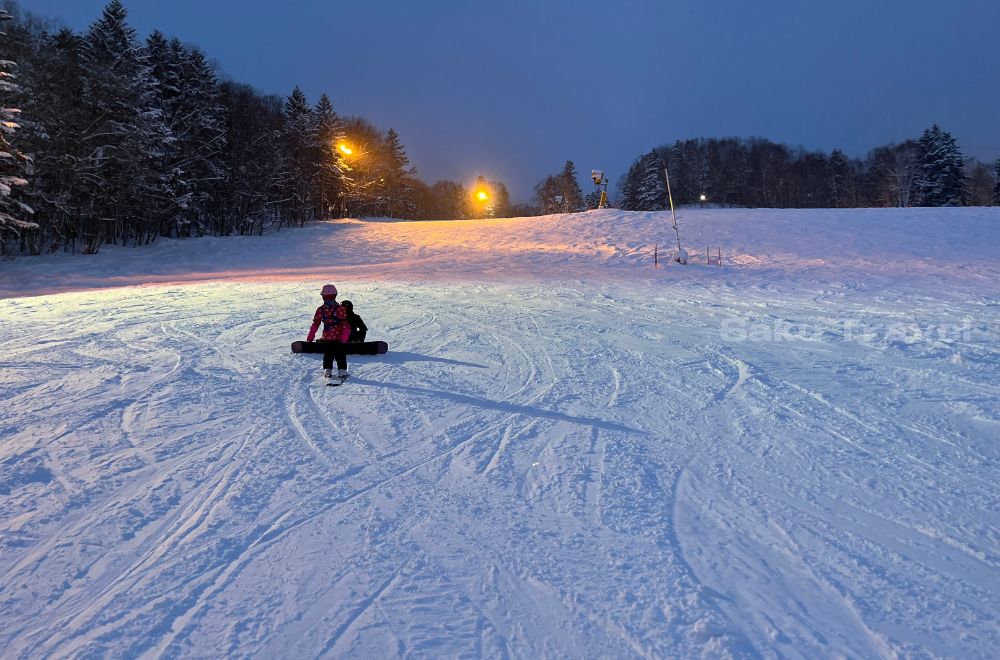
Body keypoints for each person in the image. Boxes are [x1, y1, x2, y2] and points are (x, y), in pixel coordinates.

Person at [306, 284, 351, 381]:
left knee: (332, 354)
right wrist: (344, 337)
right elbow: (345, 325)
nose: (327, 300)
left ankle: (331, 369)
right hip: (335, 338)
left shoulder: (322, 309)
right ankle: (337, 370)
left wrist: (311, 336)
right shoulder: (339, 309)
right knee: (335, 354)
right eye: (326, 297)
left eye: (329, 297)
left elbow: (316, 324)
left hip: (332, 337)